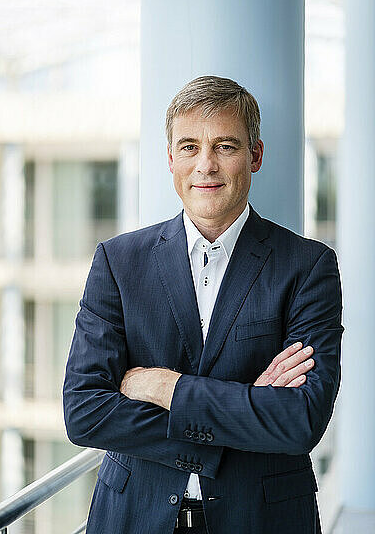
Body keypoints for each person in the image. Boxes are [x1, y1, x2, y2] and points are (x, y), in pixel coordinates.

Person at [63, 75, 343, 534]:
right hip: (134, 517)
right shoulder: (118, 262)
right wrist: (246, 409)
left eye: (225, 146)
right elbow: (84, 411)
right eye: (189, 146)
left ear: (255, 155)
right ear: (170, 158)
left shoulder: (308, 267)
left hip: (263, 519)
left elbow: (301, 420)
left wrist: (164, 388)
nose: (205, 165)